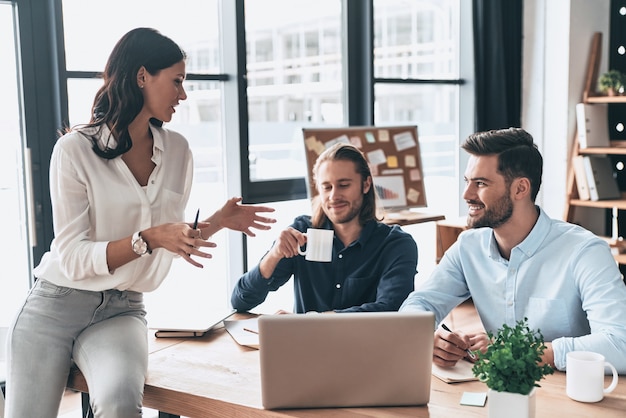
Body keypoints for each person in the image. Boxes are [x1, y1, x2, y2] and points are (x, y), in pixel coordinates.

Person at [4, 28, 275, 418]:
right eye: (177, 81)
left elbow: (169, 238)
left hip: (122, 308)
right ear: (142, 76)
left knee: (119, 404)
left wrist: (217, 221)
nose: (183, 94)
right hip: (55, 305)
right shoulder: (74, 150)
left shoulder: (178, 151)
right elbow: (75, 257)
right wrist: (147, 238)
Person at [400, 127, 626, 373]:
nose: (467, 194)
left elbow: (620, 344)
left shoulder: (585, 252)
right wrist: (429, 338)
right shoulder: (468, 247)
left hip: (571, 394)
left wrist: (514, 350)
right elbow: (419, 303)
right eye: (467, 182)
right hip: (499, 392)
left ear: (520, 189)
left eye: (481, 183)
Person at [231, 143, 418, 314]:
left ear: (366, 184)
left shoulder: (395, 244)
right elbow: (241, 301)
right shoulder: (301, 232)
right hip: (306, 350)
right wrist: (274, 255)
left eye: (344, 185)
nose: (334, 196)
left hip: (367, 349)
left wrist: (313, 321)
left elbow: (392, 309)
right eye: (326, 187)